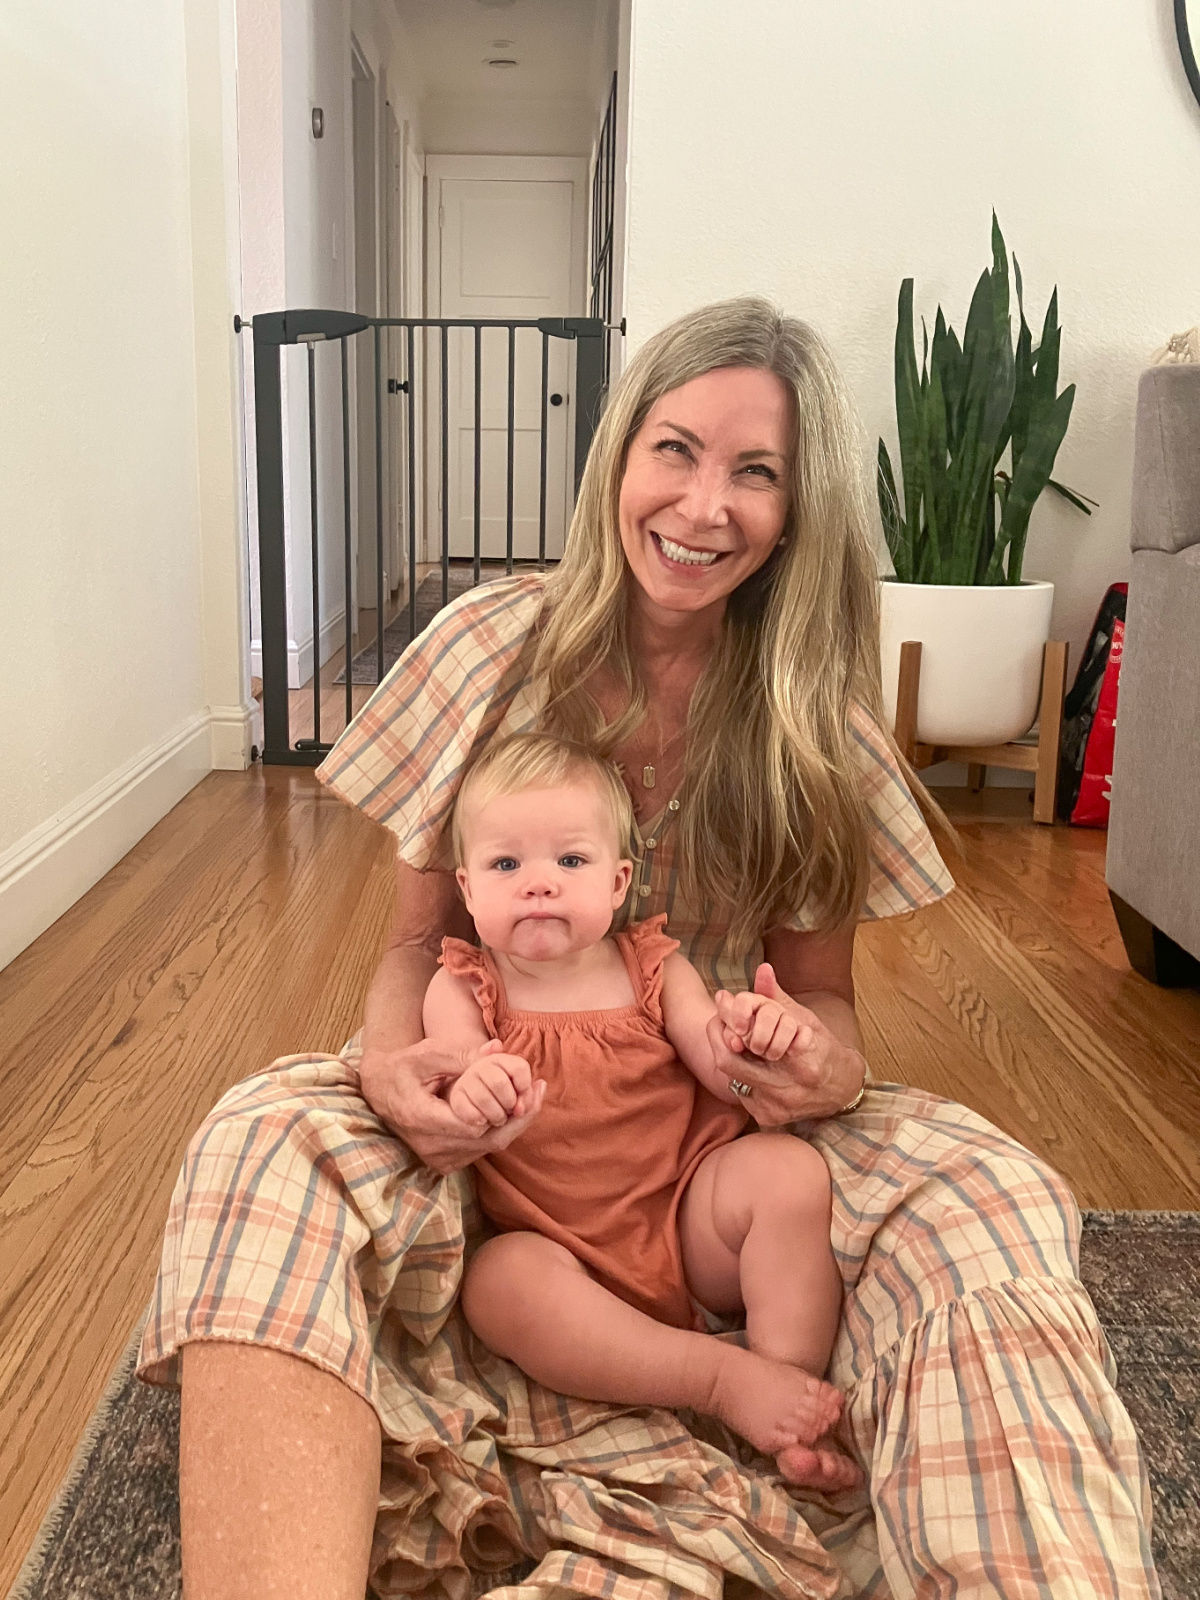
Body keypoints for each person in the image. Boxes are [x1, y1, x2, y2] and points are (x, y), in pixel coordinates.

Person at [140, 297, 1159, 1600]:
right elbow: (411, 952)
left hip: (714, 1149)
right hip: (492, 1143)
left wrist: (813, 1073)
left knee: (991, 1189)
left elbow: (833, 1009)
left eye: (756, 472)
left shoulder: (815, 733)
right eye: (674, 449)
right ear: (618, 455)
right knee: (258, 1137)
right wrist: (400, 1070)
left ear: (797, 511)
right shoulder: (484, 651)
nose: (704, 502)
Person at [429, 731, 854, 1489]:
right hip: (560, 1253)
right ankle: (718, 1379)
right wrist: (475, 1089)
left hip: (690, 1223)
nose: (539, 884)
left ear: (619, 881)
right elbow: (455, 1080)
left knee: (788, 1172)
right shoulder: (466, 985)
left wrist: (757, 1037)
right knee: (497, 1283)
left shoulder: (653, 964)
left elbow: (724, 1072)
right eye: (505, 864)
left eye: (570, 861)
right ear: (466, 890)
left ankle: (790, 1386)